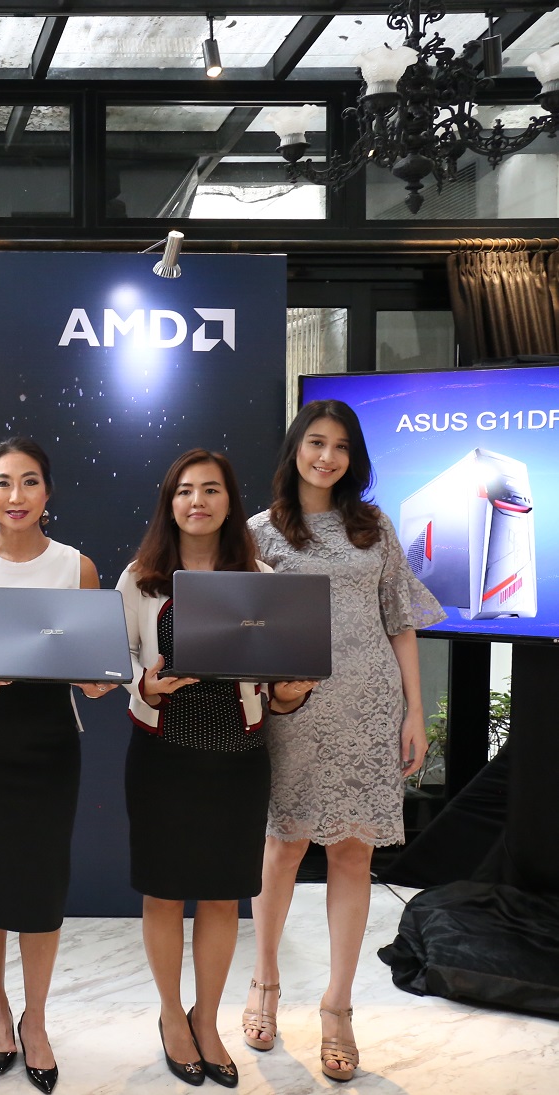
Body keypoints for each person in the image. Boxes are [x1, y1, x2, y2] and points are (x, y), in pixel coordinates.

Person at [240, 400, 442, 1082]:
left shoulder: (373, 525)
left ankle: (338, 1007)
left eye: (341, 446)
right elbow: (245, 630)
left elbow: (399, 621)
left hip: (370, 704)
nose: (327, 457)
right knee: (284, 846)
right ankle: (264, 982)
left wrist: (415, 711)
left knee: (354, 853)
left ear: (354, 457)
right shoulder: (260, 532)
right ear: (295, 447)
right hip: (295, 708)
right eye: (316, 442)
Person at [114, 449, 315, 1089]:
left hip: (238, 759)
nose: (196, 501)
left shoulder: (261, 578)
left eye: (210, 490)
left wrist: (290, 693)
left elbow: (277, 684)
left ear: (230, 502)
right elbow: (119, 662)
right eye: (184, 491)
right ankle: (172, 1016)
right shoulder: (139, 579)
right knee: (164, 893)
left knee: (225, 896)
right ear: (169, 503)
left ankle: (208, 1019)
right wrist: (145, 686)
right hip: (162, 757)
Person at [0, 437, 115, 1093]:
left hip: (49, 739)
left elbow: (94, 663)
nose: (16, 495)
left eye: (29, 481)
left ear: (47, 491)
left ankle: (36, 1017)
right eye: (3, 482)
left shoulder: (77, 566)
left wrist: (98, 681)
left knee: (42, 883)